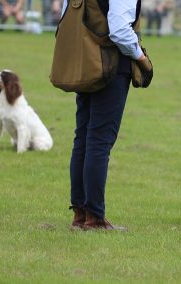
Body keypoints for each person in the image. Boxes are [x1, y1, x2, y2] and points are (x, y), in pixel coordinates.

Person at [61, 0, 150, 230]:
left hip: (85, 62)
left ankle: (80, 215)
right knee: (99, 141)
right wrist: (141, 58)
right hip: (111, 65)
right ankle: (94, 218)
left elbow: (67, 18)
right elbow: (120, 30)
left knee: (82, 138)